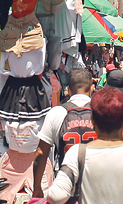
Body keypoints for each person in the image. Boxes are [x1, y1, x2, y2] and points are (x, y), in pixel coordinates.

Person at [33, 68, 94, 197]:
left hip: (65, 186)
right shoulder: (100, 112)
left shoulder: (56, 112)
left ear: (67, 90)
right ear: (92, 88)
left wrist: (37, 187)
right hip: (95, 187)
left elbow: (41, 153)